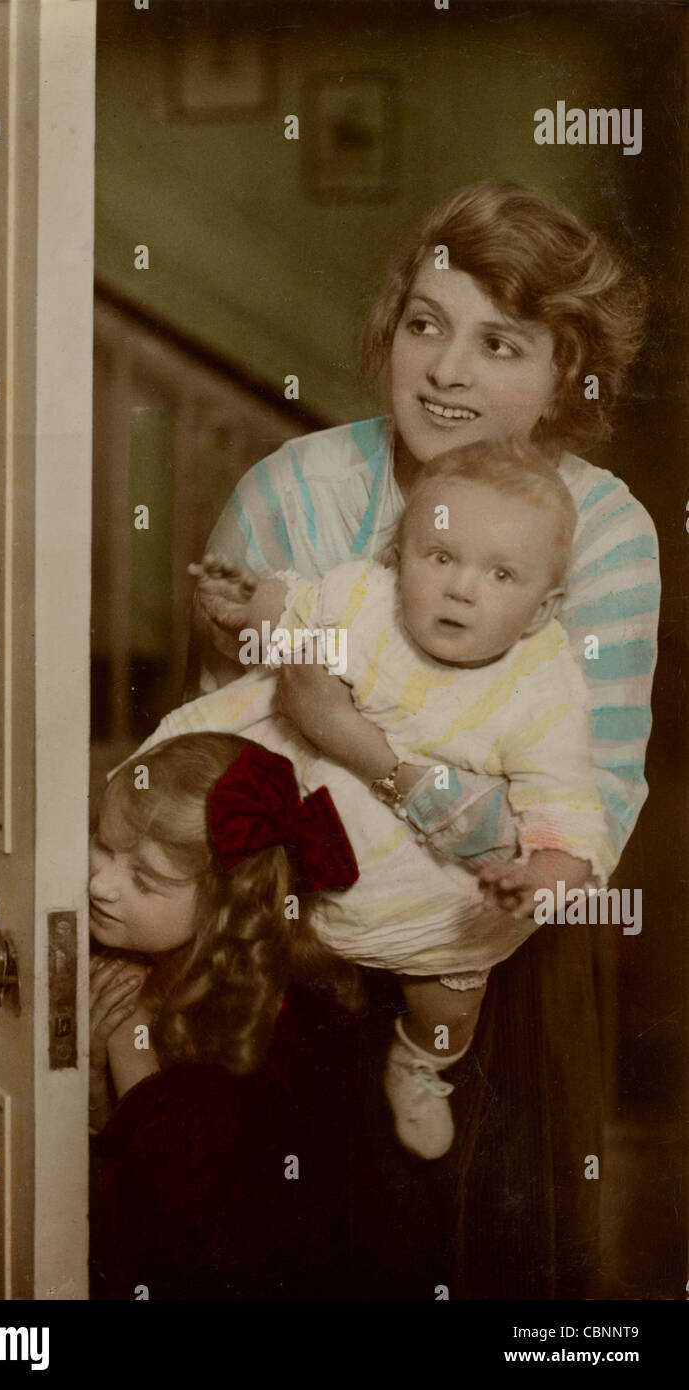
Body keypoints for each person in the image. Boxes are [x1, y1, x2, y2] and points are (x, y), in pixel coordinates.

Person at [176, 182, 660, 1296]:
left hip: (484, 968)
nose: (445, 370)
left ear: (560, 374)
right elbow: (223, 769)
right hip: (281, 951)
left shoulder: (604, 532)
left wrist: (356, 743)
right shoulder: (289, 491)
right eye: (424, 323)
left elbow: (582, 834)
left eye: (500, 343)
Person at [179, 438, 614, 1160]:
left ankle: (420, 1062)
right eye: (438, 556)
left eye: (500, 573)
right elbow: (292, 618)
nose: (460, 588)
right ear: (397, 554)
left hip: (424, 873)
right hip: (305, 802)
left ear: (544, 608)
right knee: (215, 886)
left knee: (449, 993)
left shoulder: (543, 693)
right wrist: (246, 604)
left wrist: (537, 878)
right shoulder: (363, 598)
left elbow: (568, 821)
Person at [88, 731, 365, 1300]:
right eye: (103, 845)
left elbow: (179, 1203)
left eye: (143, 879)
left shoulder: (285, 1031)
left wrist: (124, 1037)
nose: (100, 884)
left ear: (224, 903)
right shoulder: (156, 959)